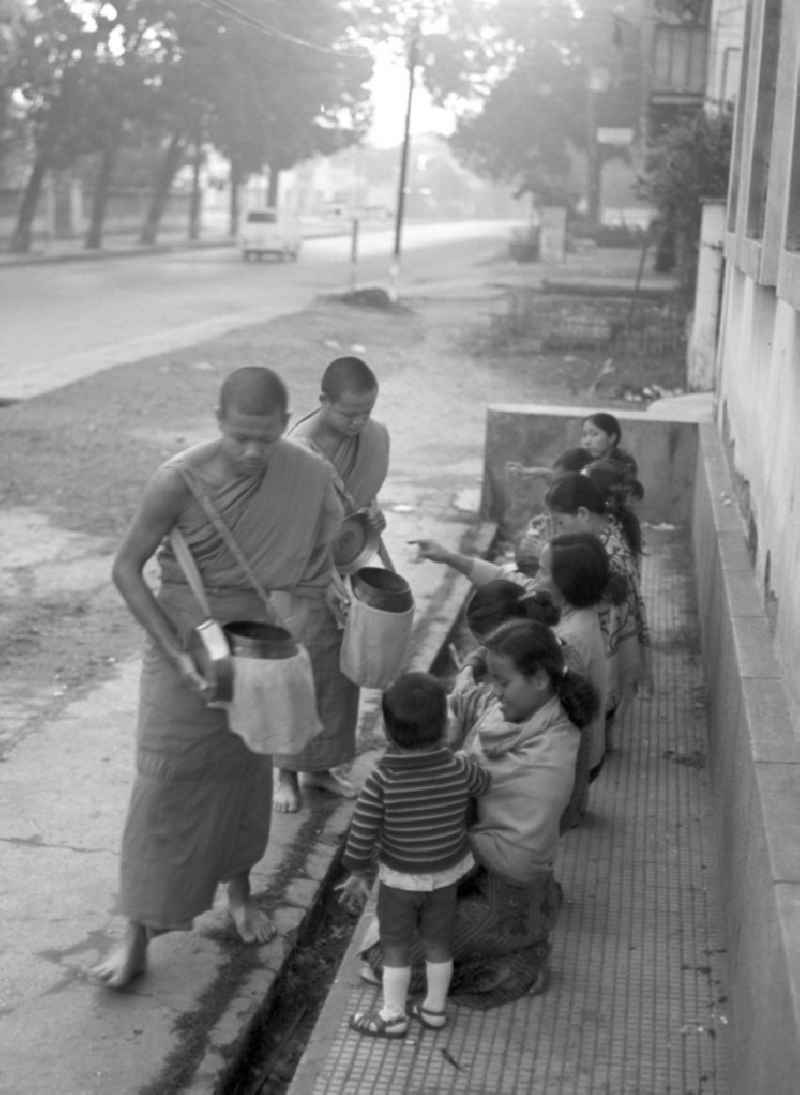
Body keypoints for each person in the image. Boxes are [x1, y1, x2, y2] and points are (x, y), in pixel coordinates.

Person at [92, 367, 346, 989]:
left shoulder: (307, 472)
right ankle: (138, 929)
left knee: (244, 774)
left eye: (265, 437)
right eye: (239, 438)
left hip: (260, 648)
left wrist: (337, 577)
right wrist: (175, 653)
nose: (254, 452)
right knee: (166, 782)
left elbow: (324, 550)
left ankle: (240, 893)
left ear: (286, 424)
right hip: (185, 648)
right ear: (217, 422)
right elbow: (126, 568)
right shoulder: (176, 480)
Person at [361, 620, 598, 1007]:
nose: (495, 692)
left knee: (383, 960)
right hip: (481, 861)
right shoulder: (517, 710)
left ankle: (518, 964)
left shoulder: (549, 752)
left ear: (538, 678)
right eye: (493, 680)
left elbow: (448, 786)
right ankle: (520, 926)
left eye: (503, 683)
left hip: (506, 883)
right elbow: (468, 703)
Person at [338, 673, 490, 1037]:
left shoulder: (382, 779)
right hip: (446, 875)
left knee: (396, 946)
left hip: (400, 880)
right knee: (438, 943)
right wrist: (466, 756)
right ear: (443, 727)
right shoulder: (456, 767)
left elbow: (362, 832)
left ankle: (393, 1015)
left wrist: (357, 871)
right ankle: (435, 1009)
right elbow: (485, 782)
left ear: (389, 734)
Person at [275, 355, 390, 813]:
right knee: (299, 670)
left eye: (367, 411)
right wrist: (322, 579)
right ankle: (285, 772)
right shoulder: (296, 451)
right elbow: (287, 528)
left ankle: (322, 769)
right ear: (323, 401)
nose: (360, 423)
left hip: (347, 562)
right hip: (299, 573)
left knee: (342, 670)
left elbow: (354, 494)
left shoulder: (372, 435)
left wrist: (375, 512)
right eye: (349, 414)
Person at [545, 473, 652, 738]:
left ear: (582, 513)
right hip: (616, 641)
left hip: (608, 643)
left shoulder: (603, 552)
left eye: (560, 523)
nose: (558, 531)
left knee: (597, 715)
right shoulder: (609, 530)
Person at [535, 534, 610, 826]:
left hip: (579, 762)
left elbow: (573, 725)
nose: (536, 576)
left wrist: (575, 795)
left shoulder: (570, 641)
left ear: (564, 583)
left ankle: (573, 807)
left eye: (542, 571)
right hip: (592, 753)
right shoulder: (586, 616)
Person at [581, 412, 639, 482]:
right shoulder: (581, 460)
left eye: (594, 434)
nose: (587, 442)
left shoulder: (624, 464)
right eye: (584, 435)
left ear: (612, 438)